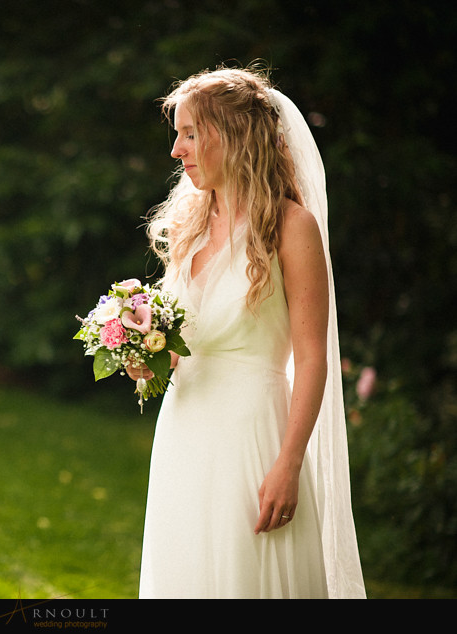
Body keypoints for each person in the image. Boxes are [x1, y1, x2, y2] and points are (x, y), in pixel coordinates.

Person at [130, 67, 365, 598]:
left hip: (253, 436)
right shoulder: (186, 225)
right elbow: (185, 345)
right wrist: (145, 356)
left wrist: (288, 463)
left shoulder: (292, 227)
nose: (176, 150)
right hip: (183, 432)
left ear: (232, 136)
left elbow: (311, 358)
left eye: (189, 133)